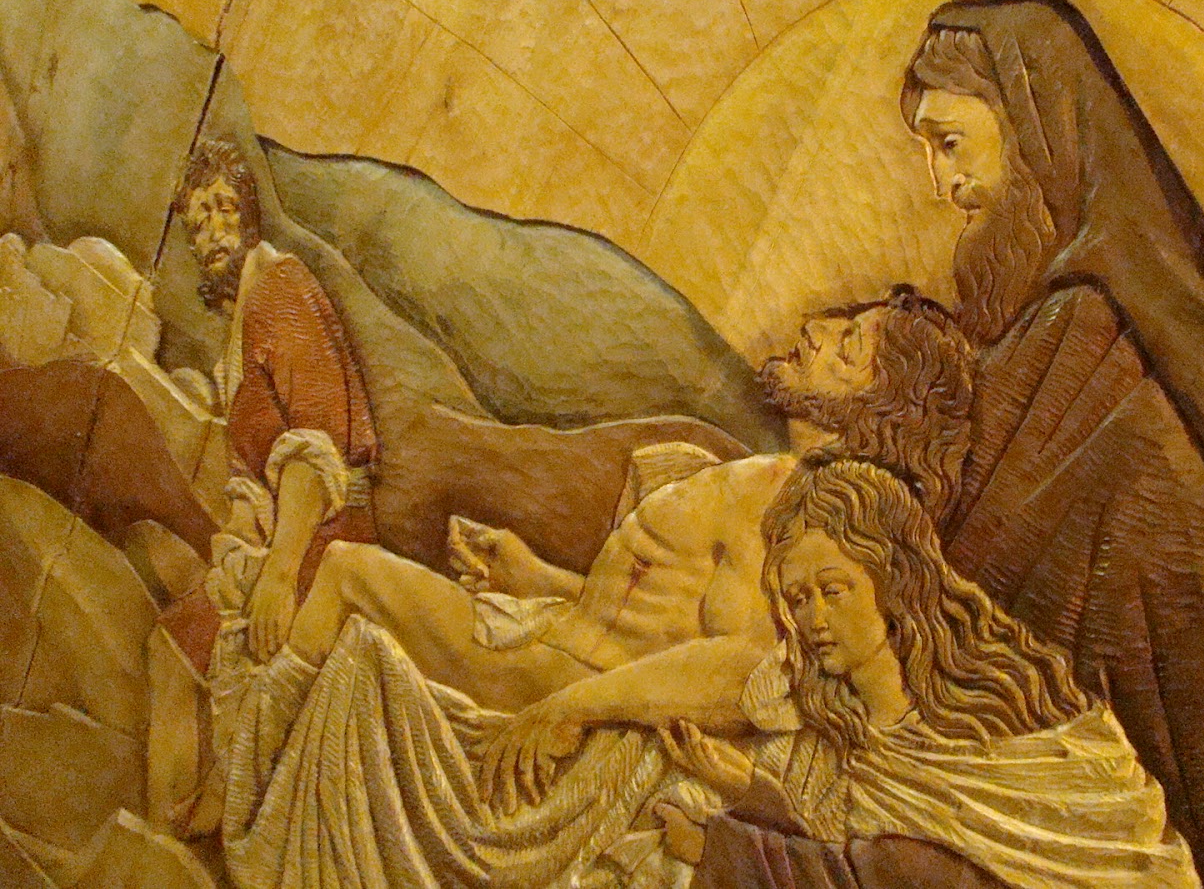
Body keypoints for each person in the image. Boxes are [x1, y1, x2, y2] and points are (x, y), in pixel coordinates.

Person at [221, 289, 977, 886]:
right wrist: (536, 577)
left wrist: (569, 707)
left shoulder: (804, 511)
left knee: (349, 572)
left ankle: (236, 808)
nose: (816, 331)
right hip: (560, 645)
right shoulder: (777, 480)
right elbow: (670, 616)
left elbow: (745, 670)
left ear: (882, 405)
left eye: (849, 347)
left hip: (561, 680)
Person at [897, 0, 1204, 886]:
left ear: (1038, 131)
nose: (940, 183)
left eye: (951, 143)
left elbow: (977, 563)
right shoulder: (1059, 320)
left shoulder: (1090, 327)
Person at [656, 457, 1200, 888]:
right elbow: (847, 860)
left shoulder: (1016, 724)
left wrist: (716, 851)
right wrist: (751, 793)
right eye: (799, 599)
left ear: (894, 579)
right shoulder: (850, 734)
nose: (814, 618)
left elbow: (899, 872)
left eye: (833, 590)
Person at [177, 137, 381, 662]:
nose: (212, 231)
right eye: (198, 224)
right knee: (175, 637)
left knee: (182, 651)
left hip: (326, 546)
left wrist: (279, 576)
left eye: (223, 208)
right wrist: (236, 548)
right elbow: (251, 477)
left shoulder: (279, 289)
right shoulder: (239, 336)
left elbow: (319, 450)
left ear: (248, 216)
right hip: (285, 546)